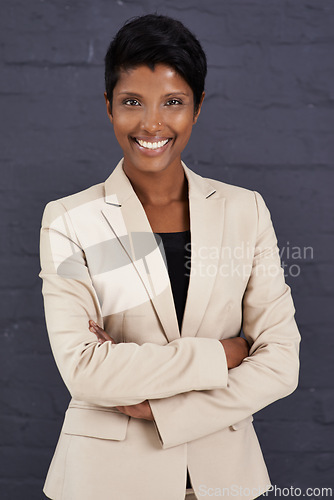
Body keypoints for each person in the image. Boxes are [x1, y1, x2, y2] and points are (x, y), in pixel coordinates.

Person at [39, 14, 301, 500]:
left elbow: (282, 363)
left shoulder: (245, 210)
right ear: (109, 107)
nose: (152, 123)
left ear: (197, 108)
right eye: (132, 102)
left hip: (224, 478)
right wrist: (224, 354)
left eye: (173, 103)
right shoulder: (70, 218)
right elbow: (85, 370)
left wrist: (165, 410)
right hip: (105, 481)